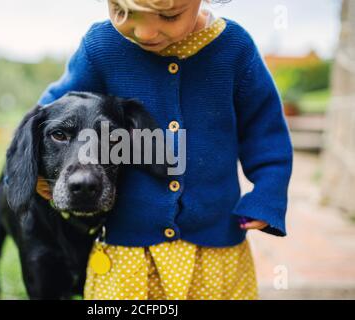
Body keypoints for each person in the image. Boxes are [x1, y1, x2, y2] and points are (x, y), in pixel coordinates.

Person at [35, 0, 293, 300]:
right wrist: (42, 173)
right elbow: (51, 113)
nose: (144, 33)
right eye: (123, 12)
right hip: (128, 247)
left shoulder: (235, 49)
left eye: (168, 15)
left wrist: (267, 195)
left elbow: (265, 130)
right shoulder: (102, 47)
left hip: (213, 246)